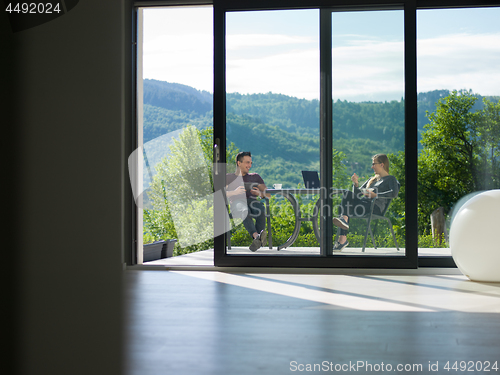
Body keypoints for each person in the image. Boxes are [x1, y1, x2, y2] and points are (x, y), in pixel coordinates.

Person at [332, 153, 399, 252]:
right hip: (363, 205)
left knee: (344, 211)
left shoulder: (391, 179)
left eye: (374, 164)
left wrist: (375, 195)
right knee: (347, 194)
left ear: (382, 164)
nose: (372, 167)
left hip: (374, 207)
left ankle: (342, 239)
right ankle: (344, 224)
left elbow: (394, 193)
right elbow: (357, 194)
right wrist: (356, 184)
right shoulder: (371, 180)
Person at [226, 151, 269, 252]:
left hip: (252, 202)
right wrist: (235, 192)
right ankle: (256, 236)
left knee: (262, 210)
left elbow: (268, 194)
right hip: (237, 203)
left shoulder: (255, 177)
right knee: (245, 211)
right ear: (239, 163)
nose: (249, 165)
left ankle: (257, 240)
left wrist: (259, 193)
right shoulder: (229, 177)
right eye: (247, 162)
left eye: (250, 163)